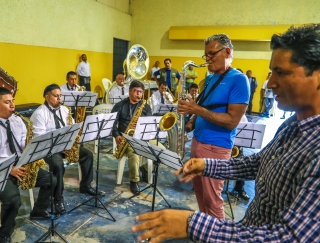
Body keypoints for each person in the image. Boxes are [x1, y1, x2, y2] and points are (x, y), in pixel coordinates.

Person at [132, 24, 320, 243]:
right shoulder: (292, 125)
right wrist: (206, 164)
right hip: (206, 153)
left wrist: (191, 224)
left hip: (217, 146)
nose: (270, 83)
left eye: (281, 72)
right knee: (203, 199)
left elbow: (288, 238)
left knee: (213, 203)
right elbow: (257, 164)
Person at [0, 87, 56, 243]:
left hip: (19, 164)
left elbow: (22, 143)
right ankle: (5, 233)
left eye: (13, 101)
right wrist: (9, 170)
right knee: (13, 200)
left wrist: (32, 151)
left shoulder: (16, 120)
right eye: (7, 102)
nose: (12, 105)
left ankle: (38, 210)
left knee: (51, 180)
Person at [178, 33, 250, 219]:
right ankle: (206, 233)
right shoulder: (210, 78)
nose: (208, 59)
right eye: (206, 55)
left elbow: (232, 121)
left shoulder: (239, 80)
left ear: (227, 52)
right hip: (197, 142)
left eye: (212, 54)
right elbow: (205, 106)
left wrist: (198, 111)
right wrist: (191, 122)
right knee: (200, 194)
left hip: (216, 149)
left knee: (213, 200)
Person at [30, 84, 96, 215]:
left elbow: (72, 127)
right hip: (49, 148)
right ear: (46, 96)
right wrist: (60, 144)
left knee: (87, 155)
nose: (59, 99)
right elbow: (40, 140)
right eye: (56, 96)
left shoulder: (65, 110)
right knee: (58, 165)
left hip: (66, 145)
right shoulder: (39, 113)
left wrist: (72, 139)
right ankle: (58, 198)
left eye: (60, 96)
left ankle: (85, 185)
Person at [111, 80, 153, 195]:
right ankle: (134, 181)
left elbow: (150, 124)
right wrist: (116, 135)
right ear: (130, 91)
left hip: (142, 137)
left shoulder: (146, 107)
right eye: (136, 91)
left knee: (160, 149)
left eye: (141, 92)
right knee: (134, 152)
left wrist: (140, 124)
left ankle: (145, 168)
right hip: (126, 138)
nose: (139, 94)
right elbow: (112, 123)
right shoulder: (119, 105)